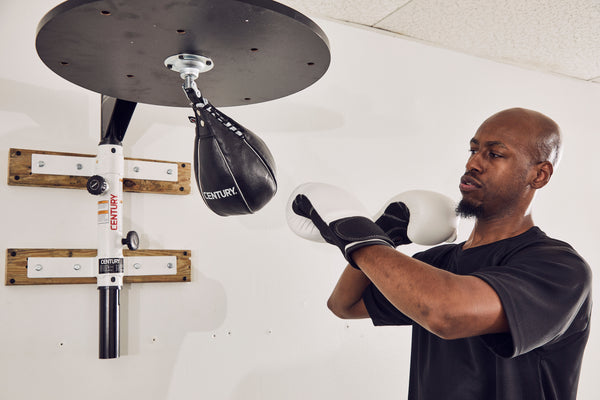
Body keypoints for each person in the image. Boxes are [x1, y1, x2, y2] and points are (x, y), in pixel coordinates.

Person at [289, 108, 592, 400]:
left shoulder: (559, 268)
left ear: (539, 175)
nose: (473, 163)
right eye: (473, 150)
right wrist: (383, 234)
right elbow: (345, 304)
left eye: (494, 154)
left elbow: (445, 313)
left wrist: (353, 231)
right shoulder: (438, 263)